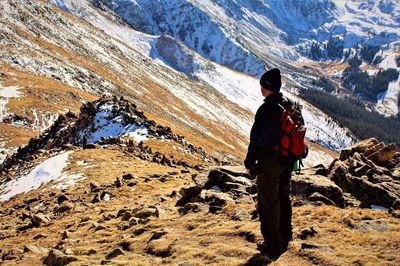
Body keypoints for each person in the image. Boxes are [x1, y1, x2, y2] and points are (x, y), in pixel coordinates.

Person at [244, 68, 293, 259]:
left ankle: (272, 243)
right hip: (288, 159)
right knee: (284, 196)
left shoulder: (266, 109)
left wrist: (250, 161)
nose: (261, 89)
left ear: (266, 87)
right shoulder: (289, 103)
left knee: (268, 202)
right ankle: (286, 234)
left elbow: (257, 140)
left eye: (262, 85)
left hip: (270, 162)